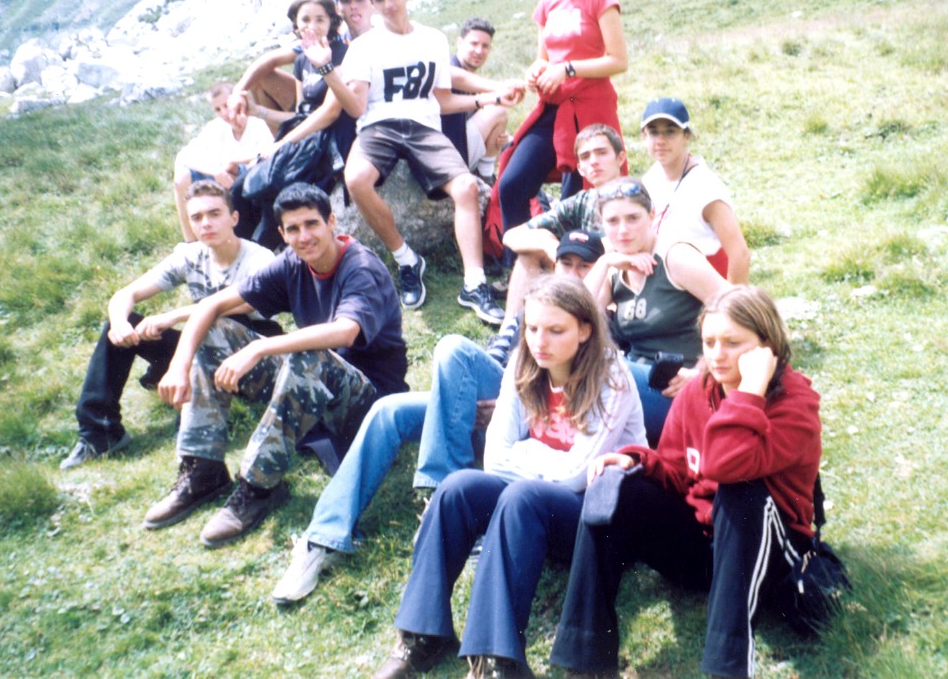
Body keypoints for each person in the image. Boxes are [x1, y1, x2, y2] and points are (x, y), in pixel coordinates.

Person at [268, 229, 607, 606]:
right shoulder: (534, 312)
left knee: (453, 348)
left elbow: (587, 395)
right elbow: (495, 355)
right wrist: (466, 394)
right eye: (566, 263)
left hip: (529, 418)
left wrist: (511, 405)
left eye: (585, 266)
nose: (573, 273)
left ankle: (443, 500)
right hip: (493, 396)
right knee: (388, 410)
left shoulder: (597, 323)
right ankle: (323, 537)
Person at [373, 276, 646, 679]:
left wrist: (527, 451)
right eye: (532, 328)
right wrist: (543, 459)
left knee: (522, 496)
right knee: (456, 488)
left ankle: (497, 659)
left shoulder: (611, 375)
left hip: (601, 520)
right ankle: (423, 634)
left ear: (585, 330)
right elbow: (495, 461)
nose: (540, 342)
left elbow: (577, 476)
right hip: (536, 507)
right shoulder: (524, 364)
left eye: (555, 330)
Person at [550, 285, 823, 678]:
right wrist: (636, 461)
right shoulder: (697, 392)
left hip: (770, 555)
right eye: (709, 342)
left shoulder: (795, 403)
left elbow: (727, 463)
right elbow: (678, 470)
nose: (717, 355)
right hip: (703, 549)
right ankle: (585, 658)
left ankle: (726, 667)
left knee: (739, 490)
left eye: (733, 343)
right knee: (616, 485)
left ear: (768, 347)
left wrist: (749, 393)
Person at [147, 183, 407, 547]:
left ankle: (258, 487)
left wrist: (260, 348)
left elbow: (345, 332)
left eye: (312, 224)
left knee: (308, 355)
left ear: (332, 222)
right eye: (293, 229)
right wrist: (179, 363)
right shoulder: (292, 263)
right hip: (315, 387)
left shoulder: (361, 267)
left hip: (370, 403)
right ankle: (203, 470)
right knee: (215, 331)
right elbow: (213, 305)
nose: (305, 236)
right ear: (282, 235)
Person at [307, 0, 522, 325]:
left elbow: (443, 99)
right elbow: (357, 107)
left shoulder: (432, 39)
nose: (389, 4)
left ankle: (474, 283)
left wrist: (489, 99)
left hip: (423, 126)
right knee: (356, 178)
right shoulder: (363, 47)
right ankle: (406, 259)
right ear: (373, 4)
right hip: (378, 126)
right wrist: (327, 69)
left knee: (466, 186)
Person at [61, 181, 279, 470]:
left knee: (217, 322)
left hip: (251, 358)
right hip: (201, 349)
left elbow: (244, 305)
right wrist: (120, 324)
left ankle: (191, 430)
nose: (206, 223)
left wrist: (172, 316)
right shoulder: (190, 255)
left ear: (234, 218)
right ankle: (100, 433)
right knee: (122, 325)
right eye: (196, 217)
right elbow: (126, 294)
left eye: (214, 214)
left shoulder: (260, 258)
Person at [490, 0, 628, 247]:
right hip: (553, 106)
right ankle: (521, 263)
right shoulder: (548, 2)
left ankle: (580, 262)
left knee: (582, 195)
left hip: (590, 107)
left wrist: (567, 69)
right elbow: (543, 57)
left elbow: (618, 60)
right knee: (512, 183)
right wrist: (536, 71)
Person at [586, 177, 731, 444]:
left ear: (651, 216)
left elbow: (745, 312)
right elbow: (572, 319)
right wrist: (605, 262)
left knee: (599, 374)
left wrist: (705, 370)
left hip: (683, 388)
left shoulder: (675, 257)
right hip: (637, 379)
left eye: (633, 218)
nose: (623, 230)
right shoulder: (615, 267)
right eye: (613, 221)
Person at [226, 0, 360, 248]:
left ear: (331, 22)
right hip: (302, 137)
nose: (312, 26)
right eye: (305, 20)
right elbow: (300, 114)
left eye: (320, 19)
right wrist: (258, 112)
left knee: (275, 194)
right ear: (296, 24)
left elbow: (329, 112)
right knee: (241, 190)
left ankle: (261, 253)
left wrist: (282, 143)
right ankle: (232, 251)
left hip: (326, 141)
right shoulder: (302, 60)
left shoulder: (342, 55)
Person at [486, 123, 626, 362]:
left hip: (615, 284)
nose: (594, 161)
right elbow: (511, 236)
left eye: (602, 153)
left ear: (620, 158)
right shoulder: (583, 201)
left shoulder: (635, 197)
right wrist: (549, 246)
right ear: (580, 168)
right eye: (586, 157)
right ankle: (507, 336)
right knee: (531, 251)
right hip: (578, 276)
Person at [639, 97, 751, 283]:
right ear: (644, 137)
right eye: (653, 132)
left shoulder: (706, 187)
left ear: (686, 136)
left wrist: (731, 299)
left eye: (670, 132)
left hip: (704, 287)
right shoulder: (651, 177)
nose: (660, 141)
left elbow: (740, 254)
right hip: (664, 284)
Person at [172, 82, 274, 242]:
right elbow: (185, 156)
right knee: (182, 178)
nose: (224, 113)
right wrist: (216, 172)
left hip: (246, 183)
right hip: (221, 177)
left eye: (226, 105)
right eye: (218, 109)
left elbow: (267, 154)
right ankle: (191, 242)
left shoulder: (256, 125)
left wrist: (234, 161)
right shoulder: (216, 127)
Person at [439, 17, 514, 179]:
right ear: (460, 42)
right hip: (450, 152)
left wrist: (499, 133)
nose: (479, 51)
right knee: (498, 112)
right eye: (474, 44)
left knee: (511, 141)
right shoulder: (451, 71)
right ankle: (486, 177)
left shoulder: (470, 76)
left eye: (485, 46)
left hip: (460, 147)